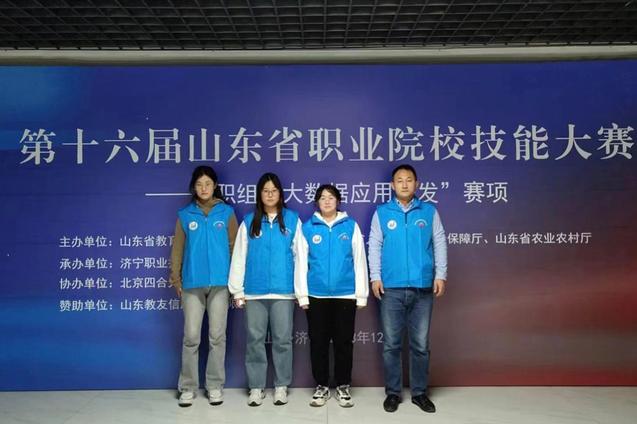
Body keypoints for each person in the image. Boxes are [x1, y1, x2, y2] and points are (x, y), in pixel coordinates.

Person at [368, 164, 448, 413]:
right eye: (399, 180)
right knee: (391, 344)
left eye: (409, 179)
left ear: (417, 184)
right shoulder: (382, 212)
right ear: (392, 185)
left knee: (420, 345)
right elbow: (374, 245)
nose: (404, 184)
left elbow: (439, 242)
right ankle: (393, 393)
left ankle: (419, 393)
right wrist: (375, 277)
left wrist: (441, 274)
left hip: (422, 288)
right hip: (391, 288)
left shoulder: (429, 211)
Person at [228, 172, 308, 407]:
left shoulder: (292, 220)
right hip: (254, 292)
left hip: (283, 292)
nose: (270, 194)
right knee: (255, 340)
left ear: (280, 194)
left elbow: (300, 257)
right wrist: (237, 291)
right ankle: (256, 387)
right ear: (259, 194)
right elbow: (239, 257)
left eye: (274, 190)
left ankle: (281, 386)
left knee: (283, 340)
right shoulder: (249, 221)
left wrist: (301, 292)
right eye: (265, 191)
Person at [169, 166, 238, 407]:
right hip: (192, 284)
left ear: (215, 185)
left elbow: (234, 248)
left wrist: (235, 282)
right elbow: (177, 250)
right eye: (199, 184)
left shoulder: (227, 213)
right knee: (191, 337)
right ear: (194, 187)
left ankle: (214, 385)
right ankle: (188, 387)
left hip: (220, 284)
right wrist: (176, 279)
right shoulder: (185, 215)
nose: (204, 188)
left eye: (208, 183)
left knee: (217, 336)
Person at [302, 184, 369, 408]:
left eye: (331, 197)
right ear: (317, 202)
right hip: (316, 295)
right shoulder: (308, 227)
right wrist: (302, 295)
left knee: (343, 342)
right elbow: (301, 263)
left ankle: (342, 385)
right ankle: (321, 385)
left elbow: (359, 260)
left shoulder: (350, 226)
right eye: (322, 197)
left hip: (345, 294)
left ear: (338, 201)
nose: (327, 201)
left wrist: (361, 295)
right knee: (318, 342)